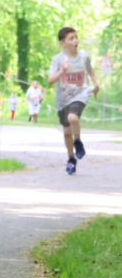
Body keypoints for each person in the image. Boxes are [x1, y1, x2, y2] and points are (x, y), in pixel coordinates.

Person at [48, 27, 100, 175]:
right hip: (63, 99)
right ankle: (71, 159)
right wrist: (62, 71)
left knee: (73, 117)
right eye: (71, 38)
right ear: (62, 43)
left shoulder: (84, 56)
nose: (75, 40)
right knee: (66, 133)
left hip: (81, 94)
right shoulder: (57, 59)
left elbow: (91, 72)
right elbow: (50, 80)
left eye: (76, 37)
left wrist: (96, 85)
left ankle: (78, 141)